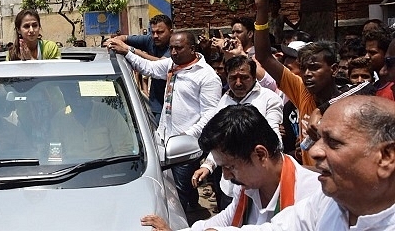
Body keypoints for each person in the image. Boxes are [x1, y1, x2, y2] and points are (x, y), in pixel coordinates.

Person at [200, 95, 395, 230]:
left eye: (333, 142)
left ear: (387, 156)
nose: (315, 151)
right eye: (318, 139)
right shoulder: (326, 203)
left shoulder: (312, 191)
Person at [140, 105, 320, 231]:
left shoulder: (313, 196)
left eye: (230, 167)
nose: (226, 176)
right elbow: (226, 219)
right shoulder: (248, 188)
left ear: (260, 155)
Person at [108, 30, 222, 213]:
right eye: (171, 48)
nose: (174, 52)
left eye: (178, 48)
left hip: (185, 148)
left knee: (179, 196)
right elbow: (148, 68)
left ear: (192, 49)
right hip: (162, 141)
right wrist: (126, 51)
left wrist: (187, 135)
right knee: (169, 189)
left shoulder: (207, 77)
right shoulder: (172, 65)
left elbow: (211, 115)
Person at [253, 0, 341, 167]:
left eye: (315, 68)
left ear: (333, 69)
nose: (308, 74)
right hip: (310, 178)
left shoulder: (347, 99)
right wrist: (262, 10)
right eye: (305, 68)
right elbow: (264, 56)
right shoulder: (301, 90)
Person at [193, 56, 284, 211]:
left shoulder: (269, 99)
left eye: (244, 77)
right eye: (233, 78)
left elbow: (274, 139)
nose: (238, 83)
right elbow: (219, 142)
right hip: (229, 188)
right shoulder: (224, 100)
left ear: (255, 77)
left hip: (256, 185)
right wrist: (208, 166)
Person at [103, 14, 173, 122]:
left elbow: (160, 65)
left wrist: (129, 50)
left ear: (171, 32)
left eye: (160, 32)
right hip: (157, 105)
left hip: (173, 106)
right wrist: (114, 41)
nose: (155, 36)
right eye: (153, 32)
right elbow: (125, 38)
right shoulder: (150, 40)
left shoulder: (176, 48)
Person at [48, 82, 134, 161]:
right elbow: (55, 156)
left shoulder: (109, 114)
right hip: (69, 173)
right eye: (73, 97)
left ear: (89, 96)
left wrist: (112, 168)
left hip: (106, 170)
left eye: (81, 97)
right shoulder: (59, 120)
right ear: (67, 98)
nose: (78, 102)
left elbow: (124, 149)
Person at [362, 26, 394, 100]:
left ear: (386, 53)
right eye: (366, 52)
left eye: (372, 53)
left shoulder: (392, 89)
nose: (366, 57)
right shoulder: (374, 87)